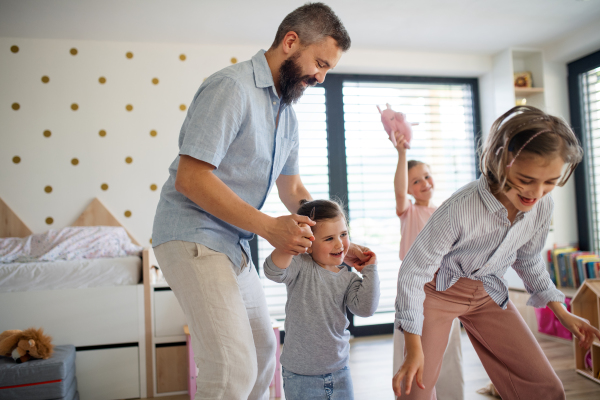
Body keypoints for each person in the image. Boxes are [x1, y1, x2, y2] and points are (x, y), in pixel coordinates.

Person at [151, 4, 369, 400]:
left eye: (327, 70)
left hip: (232, 243)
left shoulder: (286, 114)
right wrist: (269, 227)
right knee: (233, 367)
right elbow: (191, 178)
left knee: (264, 352)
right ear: (290, 42)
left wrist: (333, 238)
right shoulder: (231, 88)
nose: (320, 78)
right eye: (319, 63)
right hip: (192, 234)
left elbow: (294, 190)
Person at [392, 105, 600, 400]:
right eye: (527, 180)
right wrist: (412, 348)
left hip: (488, 291)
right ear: (501, 162)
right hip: (436, 293)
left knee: (547, 389)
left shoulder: (542, 205)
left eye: (550, 182)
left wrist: (560, 310)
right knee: (416, 388)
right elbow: (413, 272)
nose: (537, 193)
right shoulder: (459, 208)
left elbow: (528, 259)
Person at [264, 199, 380, 400]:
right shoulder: (300, 265)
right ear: (308, 242)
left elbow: (365, 308)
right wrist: (292, 241)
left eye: (343, 234)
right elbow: (272, 271)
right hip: (301, 377)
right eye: (328, 238)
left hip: (340, 372)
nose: (339, 244)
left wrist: (370, 270)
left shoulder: (348, 278)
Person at [391, 127, 464, 400]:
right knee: (411, 347)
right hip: (413, 288)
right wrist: (402, 153)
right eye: (416, 182)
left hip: (443, 288)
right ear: (409, 190)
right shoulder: (409, 212)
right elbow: (399, 191)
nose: (424, 184)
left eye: (426, 176)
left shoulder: (443, 212)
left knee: (447, 348)